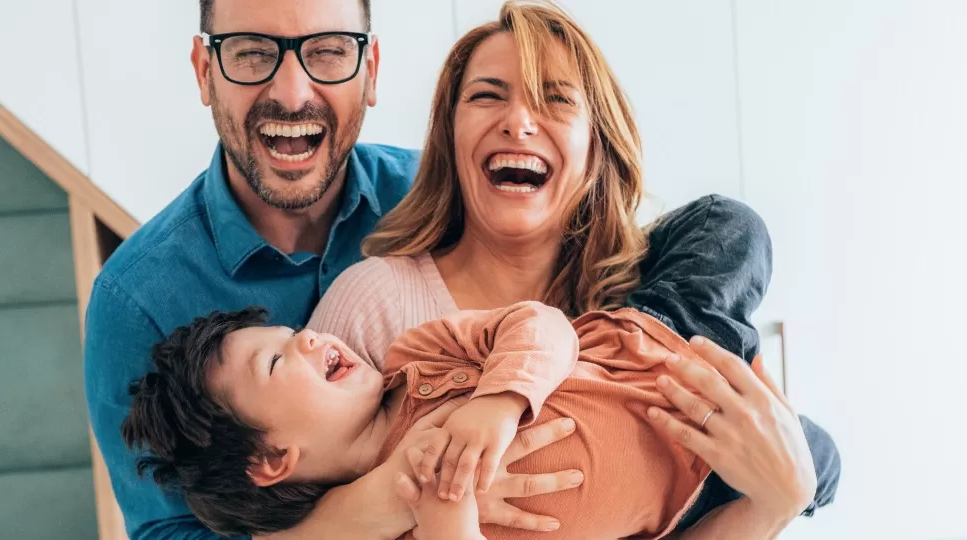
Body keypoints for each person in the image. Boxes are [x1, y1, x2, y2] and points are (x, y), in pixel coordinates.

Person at [306, 1, 840, 538]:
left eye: (555, 100)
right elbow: (288, 521)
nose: (517, 121)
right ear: (450, 135)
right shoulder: (376, 301)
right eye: (487, 95)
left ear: (596, 146)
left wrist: (780, 498)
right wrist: (430, 492)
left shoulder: (651, 288)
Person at [84, 1, 586, 538]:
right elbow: (169, 531)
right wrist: (397, 497)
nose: (293, 94)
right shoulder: (135, 299)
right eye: (252, 54)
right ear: (205, 72)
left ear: (370, 72)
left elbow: (605, 261)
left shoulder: (450, 194)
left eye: (328, 52)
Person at [122, 298, 774, 539]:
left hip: (653, 344)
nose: (311, 338)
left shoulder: (416, 358)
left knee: (733, 229)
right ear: (270, 460)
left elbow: (540, 323)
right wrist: (444, 507)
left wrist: (497, 403)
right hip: (689, 499)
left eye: (293, 330)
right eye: (276, 362)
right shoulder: (397, 524)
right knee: (816, 466)